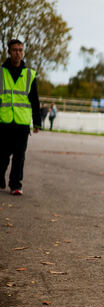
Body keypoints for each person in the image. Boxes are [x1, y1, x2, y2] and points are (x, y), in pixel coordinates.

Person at [0, 39, 41, 196]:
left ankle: (15, 185)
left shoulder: (29, 74)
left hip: (22, 124)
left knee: (19, 156)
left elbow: (35, 100)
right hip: (3, 122)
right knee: (2, 156)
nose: (18, 53)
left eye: (20, 50)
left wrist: (37, 122)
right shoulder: (1, 73)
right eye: (15, 50)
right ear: (9, 52)